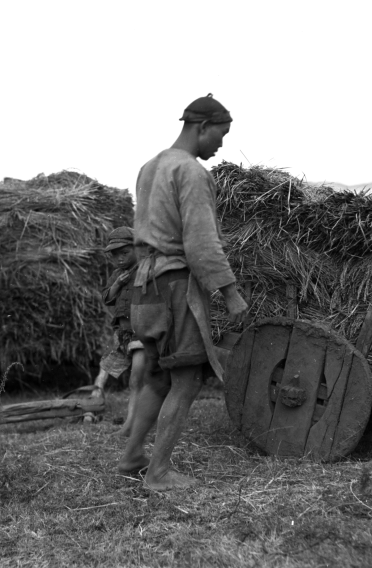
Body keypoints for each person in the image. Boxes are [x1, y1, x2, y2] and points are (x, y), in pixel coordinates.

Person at [119, 93, 248, 491]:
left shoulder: (149, 166)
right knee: (188, 379)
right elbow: (201, 242)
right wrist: (229, 293)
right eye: (221, 135)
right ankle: (157, 474)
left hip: (144, 285)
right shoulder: (191, 172)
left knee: (157, 375)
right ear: (202, 127)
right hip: (175, 285)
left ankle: (132, 456)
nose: (221, 144)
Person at [94, 226, 147, 437]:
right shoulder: (117, 274)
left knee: (136, 380)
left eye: (125, 253)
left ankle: (131, 427)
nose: (120, 259)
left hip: (142, 334)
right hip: (124, 335)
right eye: (115, 255)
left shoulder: (145, 270)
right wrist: (117, 284)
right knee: (134, 378)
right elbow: (107, 297)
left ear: (136, 249)